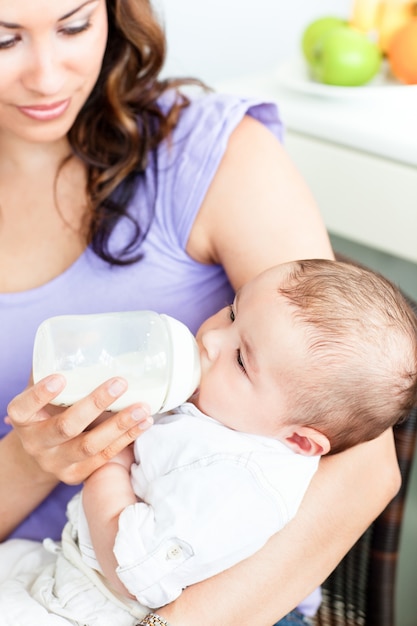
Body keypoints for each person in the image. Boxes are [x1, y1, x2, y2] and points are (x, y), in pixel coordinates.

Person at [0, 0, 404, 624]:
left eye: (75, 25)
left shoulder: (207, 153)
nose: (48, 77)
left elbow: (365, 465)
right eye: (4, 40)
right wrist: (33, 459)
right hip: (38, 573)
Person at [2, 259, 417, 626]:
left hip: (110, 610)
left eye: (240, 358)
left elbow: (131, 570)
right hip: (66, 569)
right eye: (233, 311)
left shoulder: (238, 484)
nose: (213, 340)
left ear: (299, 440)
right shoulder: (228, 414)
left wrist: (109, 462)